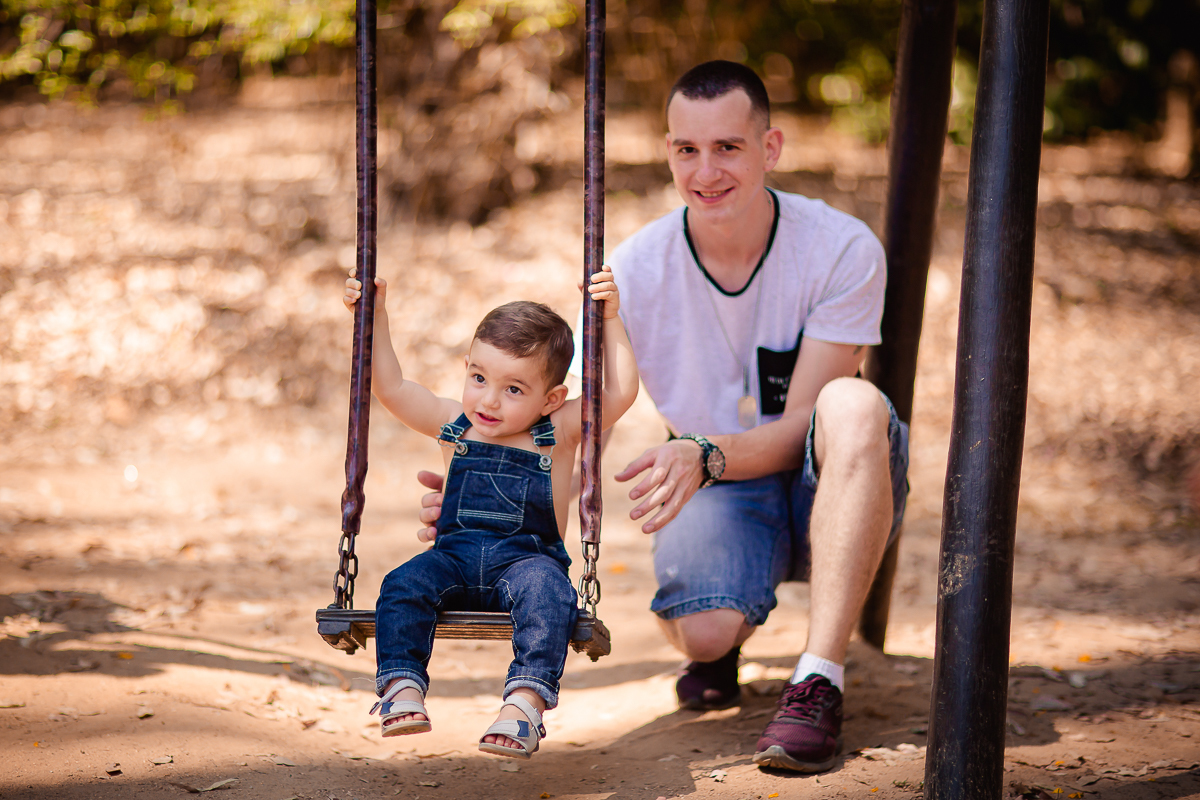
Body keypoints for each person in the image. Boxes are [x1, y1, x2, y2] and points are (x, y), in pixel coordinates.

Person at [416, 59, 909, 774]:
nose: (705, 171)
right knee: (703, 631)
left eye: (728, 148)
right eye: (687, 149)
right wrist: (489, 505)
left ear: (769, 149)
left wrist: (704, 453)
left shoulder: (841, 249)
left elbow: (806, 424)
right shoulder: (637, 267)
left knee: (855, 402)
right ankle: (726, 632)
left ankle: (818, 677)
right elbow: (574, 425)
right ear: (669, 151)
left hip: (821, 470)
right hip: (711, 484)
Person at [342, 265, 638, 759]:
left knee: (550, 593)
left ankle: (524, 704)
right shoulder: (451, 425)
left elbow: (620, 393)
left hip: (527, 562)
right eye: (478, 378)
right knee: (402, 584)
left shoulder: (558, 431)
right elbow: (390, 387)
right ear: (466, 367)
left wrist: (610, 319)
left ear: (552, 398)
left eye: (514, 389)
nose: (489, 400)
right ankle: (402, 688)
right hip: (452, 560)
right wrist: (373, 317)